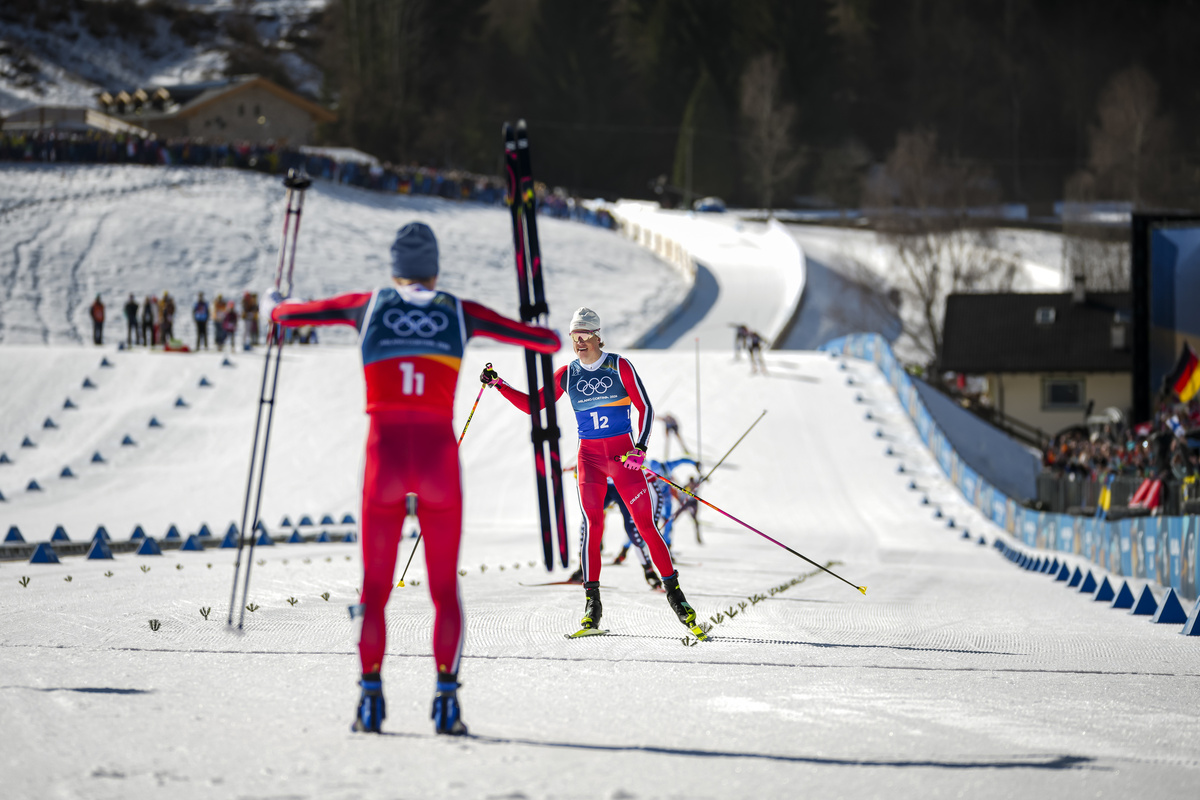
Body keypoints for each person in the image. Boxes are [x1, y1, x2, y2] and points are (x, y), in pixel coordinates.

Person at [266, 221, 560, 736]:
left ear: (394, 269)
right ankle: (447, 702)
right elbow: (545, 340)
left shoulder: (369, 304)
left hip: (383, 460)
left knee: (375, 590)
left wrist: (276, 301)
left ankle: (370, 701)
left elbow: (287, 316)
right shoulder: (460, 310)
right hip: (438, 461)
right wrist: (543, 323)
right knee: (444, 591)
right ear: (435, 267)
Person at [484, 307, 702, 636]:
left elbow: (645, 407)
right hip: (590, 459)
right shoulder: (567, 374)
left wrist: (640, 449)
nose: (579, 342)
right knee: (593, 524)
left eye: (585, 335)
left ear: (598, 335)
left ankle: (676, 596)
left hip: (622, 457)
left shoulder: (619, 366)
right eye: (574, 337)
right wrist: (498, 383)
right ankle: (592, 605)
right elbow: (533, 405)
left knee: (645, 526)